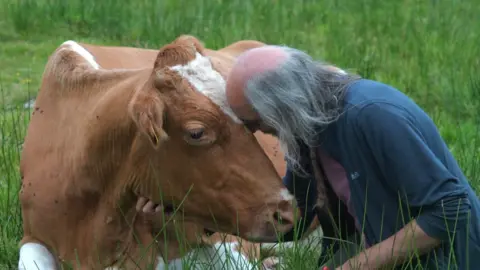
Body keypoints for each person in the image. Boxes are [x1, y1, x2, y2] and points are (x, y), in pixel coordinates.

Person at [137, 45, 480, 269]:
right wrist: (187, 220)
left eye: (257, 123)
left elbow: (451, 211)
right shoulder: (306, 131)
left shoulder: (374, 115)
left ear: (282, 108)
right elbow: (292, 223)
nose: (260, 134)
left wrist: (356, 266)